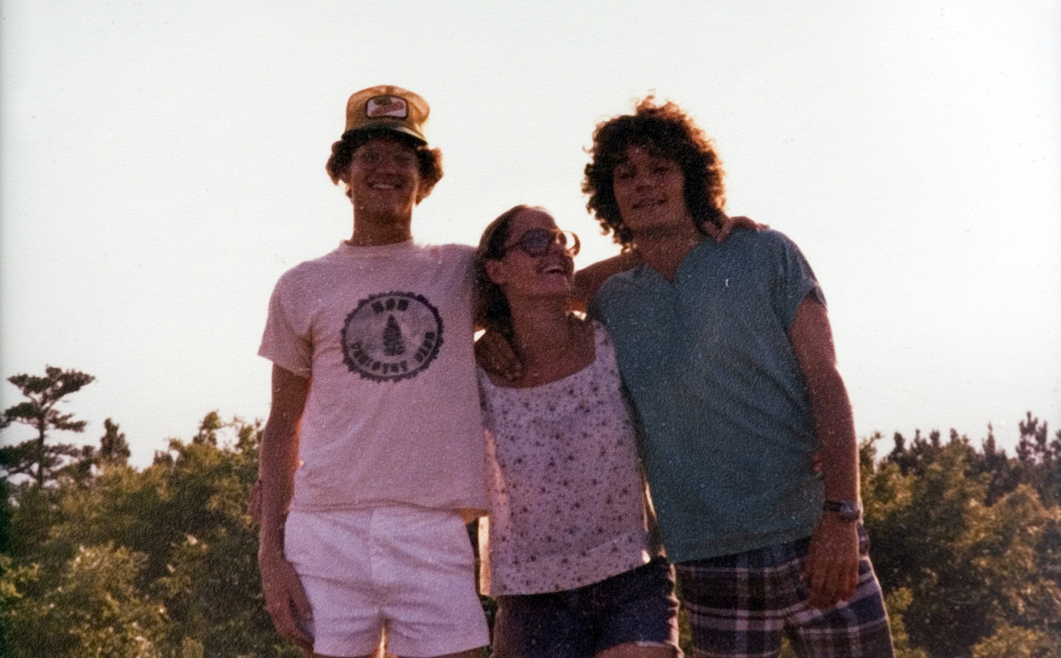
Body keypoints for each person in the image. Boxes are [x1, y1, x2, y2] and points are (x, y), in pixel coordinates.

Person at [581, 97, 895, 658]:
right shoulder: (610, 299)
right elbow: (511, 300)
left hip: (815, 533)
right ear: (609, 194)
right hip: (707, 554)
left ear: (691, 177)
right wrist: (646, 251)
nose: (643, 184)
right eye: (625, 174)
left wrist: (843, 516)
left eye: (659, 168)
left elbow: (826, 380)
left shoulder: (766, 253)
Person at [256, 85, 490, 658]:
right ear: (345, 173)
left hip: (434, 527)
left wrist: (676, 241)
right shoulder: (301, 285)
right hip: (325, 528)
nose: (385, 169)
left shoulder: (463, 271)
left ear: (425, 178)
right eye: (369, 156)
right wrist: (270, 554)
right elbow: (281, 425)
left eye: (402, 157)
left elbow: (558, 287)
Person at [474, 205, 681, 658]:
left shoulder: (611, 340)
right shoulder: (477, 371)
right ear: (496, 269)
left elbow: (656, 257)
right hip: (532, 594)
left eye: (560, 239)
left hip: (632, 573)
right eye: (534, 242)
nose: (555, 249)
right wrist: (489, 332)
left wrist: (710, 228)